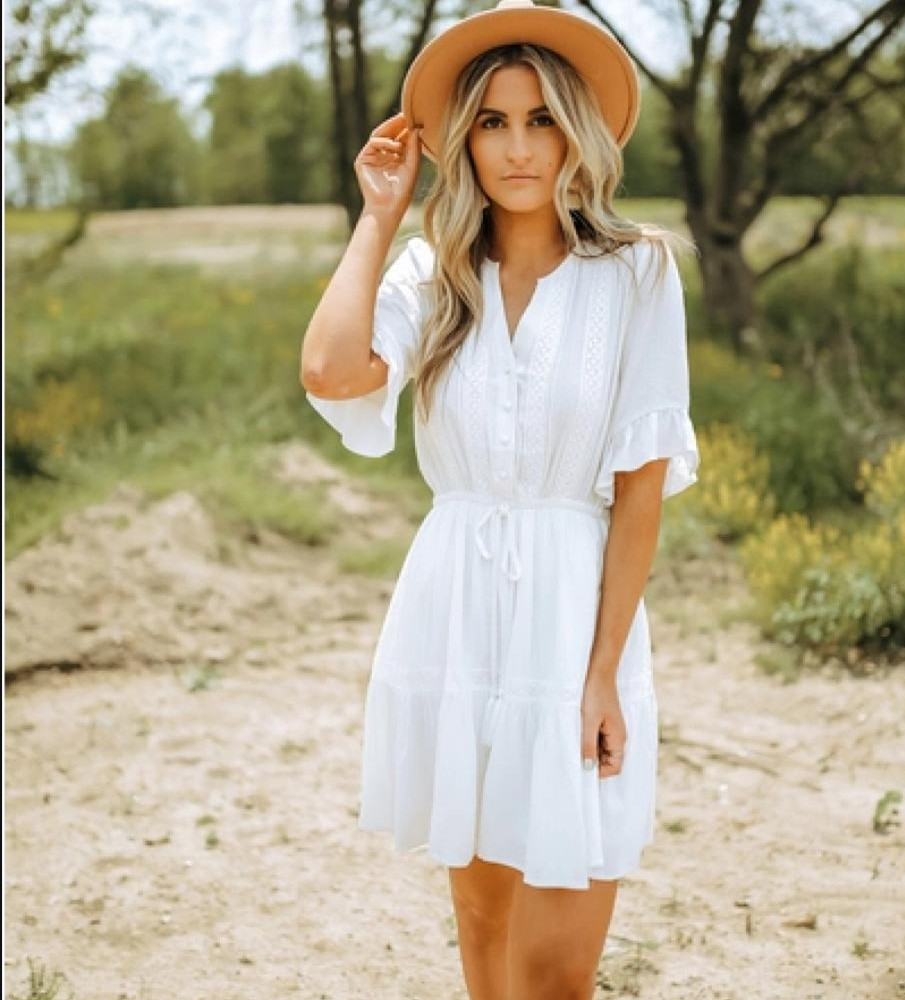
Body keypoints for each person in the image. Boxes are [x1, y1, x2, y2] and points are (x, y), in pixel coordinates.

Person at [299, 2, 699, 997]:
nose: (517, 148)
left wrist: (602, 672)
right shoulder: (432, 275)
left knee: (554, 972)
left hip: (571, 624)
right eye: (491, 122)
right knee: (482, 932)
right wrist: (381, 215)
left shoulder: (637, 271)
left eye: (540, 119)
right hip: (453, 612)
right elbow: (331, 368)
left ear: (576, 133)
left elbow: (640, 486)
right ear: (462, 141)